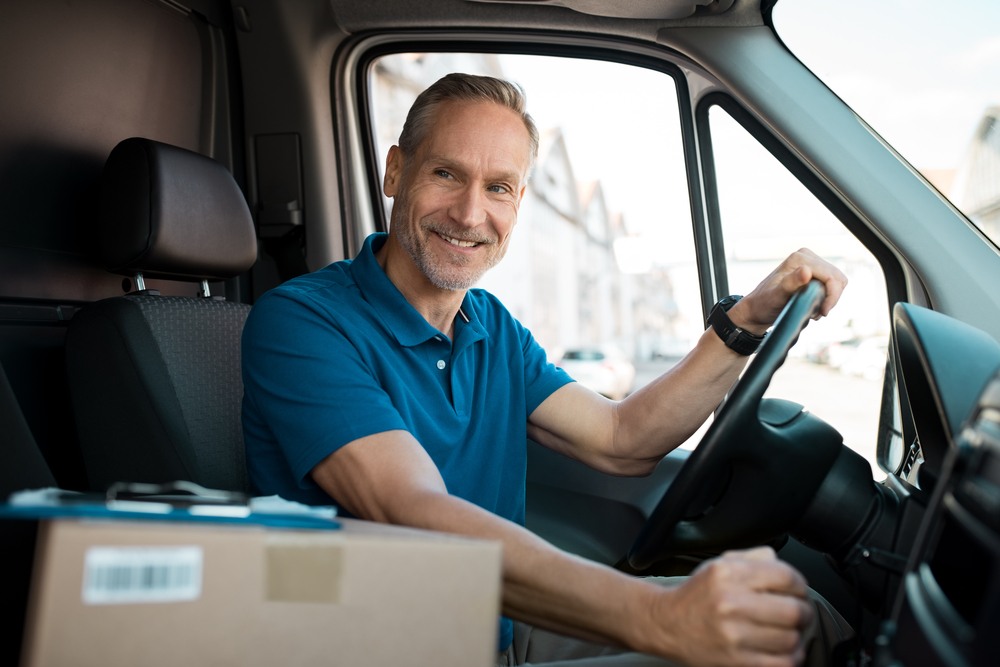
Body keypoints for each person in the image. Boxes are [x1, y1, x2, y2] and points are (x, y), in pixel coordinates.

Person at [241, 72, 852, 666]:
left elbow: (623, 440)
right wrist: (661, 619)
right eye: (446, 173)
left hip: (496, 633)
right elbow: (412, 513)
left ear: (519, 201)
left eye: (499, 187)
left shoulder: (491, 326)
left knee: (800, 622)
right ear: (396, 170)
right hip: (393, 648)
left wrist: (747, 319)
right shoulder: (302, 322)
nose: (470, 213)